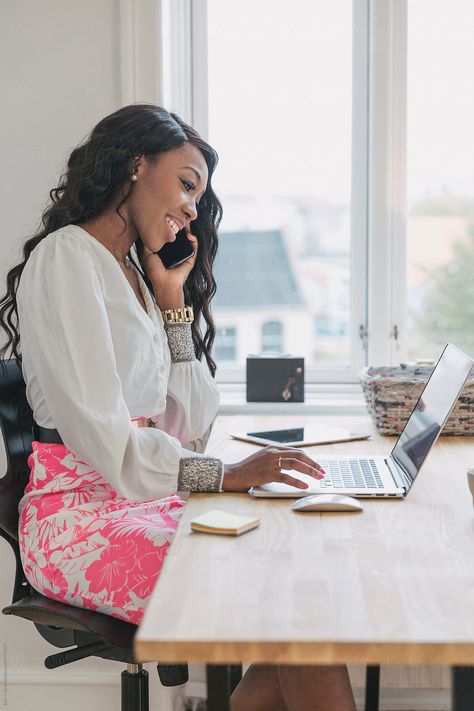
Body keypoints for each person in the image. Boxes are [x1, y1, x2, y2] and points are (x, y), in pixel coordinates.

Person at [0, 104, 356, 711]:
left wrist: (170, 301)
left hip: (143, 498)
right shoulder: (66, 257)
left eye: (199, 195)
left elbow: (188, 425)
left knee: (299, 598)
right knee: (297, 615)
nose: (193, 207)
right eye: (187, 183)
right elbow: (102, 437)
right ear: (137, 164)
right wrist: (226, 475)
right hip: (78, 521)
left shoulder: (133, 274)